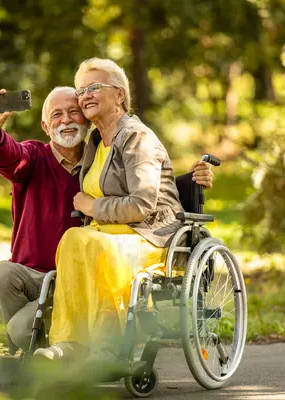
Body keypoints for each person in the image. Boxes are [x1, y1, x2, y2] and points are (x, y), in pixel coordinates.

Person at [0, 86, 215, 355]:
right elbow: (8, 157)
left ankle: (46, 350)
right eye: (57, 115)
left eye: (73, 112)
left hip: (81, 276)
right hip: (34, 275)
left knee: (19, 330)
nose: (66, 120)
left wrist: (192, 181)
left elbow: (144, 191)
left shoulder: (102, 162)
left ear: (86, 119)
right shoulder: (33, 157)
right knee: (0, 275)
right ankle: (44, 347)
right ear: (46, 126)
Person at [34, 58, 193, 361]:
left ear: (120, 95)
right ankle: (69, 343)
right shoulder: (95, 141)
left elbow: (143, 204)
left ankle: (107, 348)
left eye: (94, 87)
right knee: (73, 240)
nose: (85, 96)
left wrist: (93, 205)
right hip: (107, 235)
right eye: (81, 91)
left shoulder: (137, 137)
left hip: (150, 237)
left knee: (90, 243)